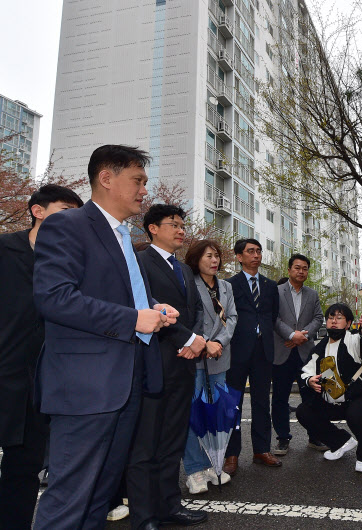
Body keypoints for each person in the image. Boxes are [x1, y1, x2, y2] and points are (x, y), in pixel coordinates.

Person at [33, 145, 178, 529]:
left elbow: (122, 298)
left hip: (127, 383)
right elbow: (54, 297)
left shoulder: (122, 239)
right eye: (138, 180)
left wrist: (156, 310)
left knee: (100, 494)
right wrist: (134, 318)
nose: (145, 190)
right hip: (86, 388)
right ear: (107, 178)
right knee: (68, 498)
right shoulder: (66, 225)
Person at [0, 184, 83, 529]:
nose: (72, 220)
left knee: (23, 468)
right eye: (65, 210)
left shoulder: (74, 263)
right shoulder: (5, 249)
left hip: (41, 383)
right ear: (38, 211)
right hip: (4, 370)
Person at [127, 204, 207, 529]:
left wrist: (194, 340)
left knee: (173, 441)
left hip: (183, 367)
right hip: (153, 364)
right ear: (152, 228)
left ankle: (169, 507)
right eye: (173, 224)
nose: (180, 230)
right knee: (146, 444)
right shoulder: (139, 262)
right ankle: (144, 516)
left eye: (182, 225)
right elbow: (144, 307)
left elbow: (196, 310)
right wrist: (187, 341)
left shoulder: (185, 269)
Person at [182, 239, 238, 494]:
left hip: (219, 357)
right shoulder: (188, 284)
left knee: (215, 414)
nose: (214, 260)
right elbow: (186, 321)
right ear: (196, 259)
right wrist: (205, 344)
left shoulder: (226, 286)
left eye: (216, 256)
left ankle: (212, 465)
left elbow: (233, 318)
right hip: (194, 358)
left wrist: (218, 342)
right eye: (208, 256)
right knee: (194, 415)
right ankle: (194, 470)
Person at [296, 303, 362, 471]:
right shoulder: (319, 347)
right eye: (331, 318)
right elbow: (305, 371)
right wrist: (310, 380)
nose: (334, 321)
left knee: (357, 415)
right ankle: (340, 442)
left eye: (339, 318)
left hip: (360, 397)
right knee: (304, 411)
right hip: (334, 400)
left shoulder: (353, 339)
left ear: (348, 324)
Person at [224, 238, 281, 474]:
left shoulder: (270, 286)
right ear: (239, 256)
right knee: (232, 404)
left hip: (263, 351)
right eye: (250, 251)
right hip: (236, 351)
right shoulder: (229, 285)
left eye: (258, 251)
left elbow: (272, 315)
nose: (256, 255)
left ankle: (261, 449)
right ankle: (231, 454)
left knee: (261, 402)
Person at [272, 253, 325, 455]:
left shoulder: (312, 294)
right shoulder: (275, 292)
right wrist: (291, 334)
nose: (301, 271)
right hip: (282, 350)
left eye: (304, 268)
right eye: (297, 267)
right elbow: (273, 318)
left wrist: (303, 335)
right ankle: (283, 438)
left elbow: (318, 318)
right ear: (289, 269)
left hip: (305, 353)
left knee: (310, 397)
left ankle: (314, 437)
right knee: (279, 398)